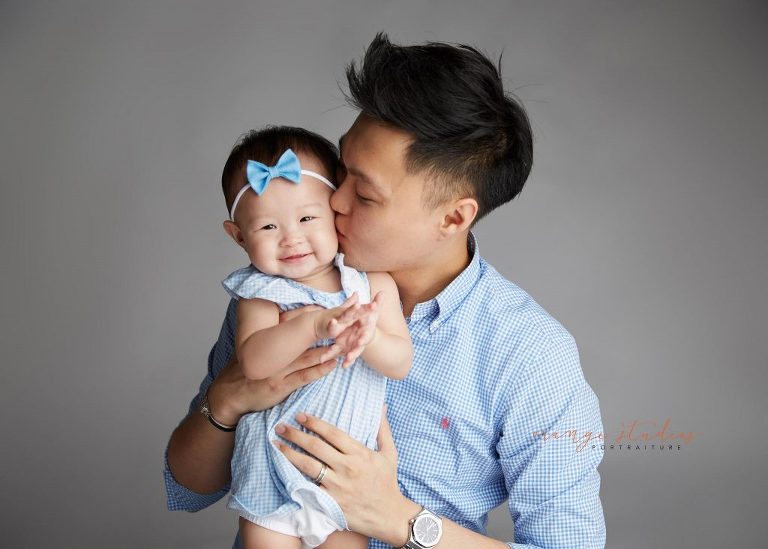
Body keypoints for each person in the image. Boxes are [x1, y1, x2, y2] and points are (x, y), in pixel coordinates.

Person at [165, 33, 606, 548]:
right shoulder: (290, 288)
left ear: (453, 216)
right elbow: (191, 486)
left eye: (365, 193)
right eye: (338, 173)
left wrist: (399, 519)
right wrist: (225, 402)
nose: (334, 203)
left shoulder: (529, 355)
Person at [217, 126, 412, 548]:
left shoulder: (371, 283)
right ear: (238, 236)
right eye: (268, 226)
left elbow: (399, 362)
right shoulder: (262, 291)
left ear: (334, 211)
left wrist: (365, 335)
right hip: (273, 460)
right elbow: (253, 363)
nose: (292, 238)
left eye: (307, 217)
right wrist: (311, 325)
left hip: (347, 475)